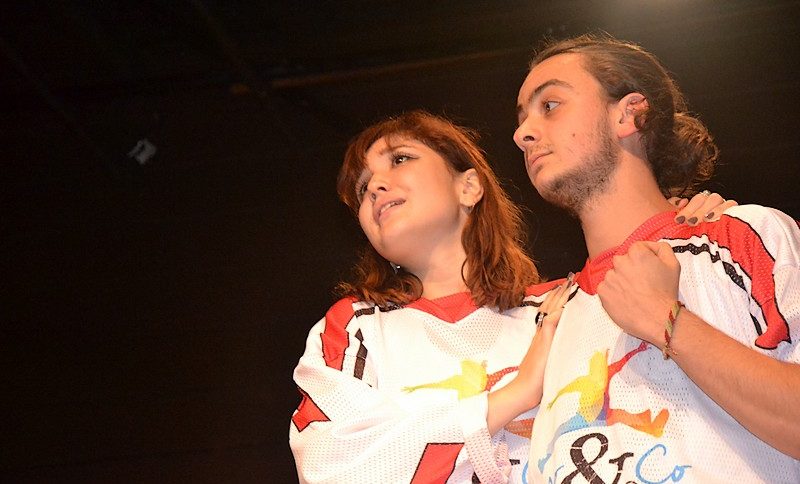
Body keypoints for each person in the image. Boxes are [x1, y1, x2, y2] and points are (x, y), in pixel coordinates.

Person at [289, 110, 730, 483]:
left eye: (400, 159)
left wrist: (688, 228)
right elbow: (331, 465)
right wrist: (518, 393)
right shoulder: (355, 328)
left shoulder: (566, 305)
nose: (375, 188)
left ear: (469, 187)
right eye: (362, 188)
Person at [514, 33, 800, 483]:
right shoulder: (546, 314)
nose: (522, 134)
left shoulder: (744, 235)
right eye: (522, 118)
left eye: (550, 105)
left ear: (628, 113)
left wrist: (668, 321)